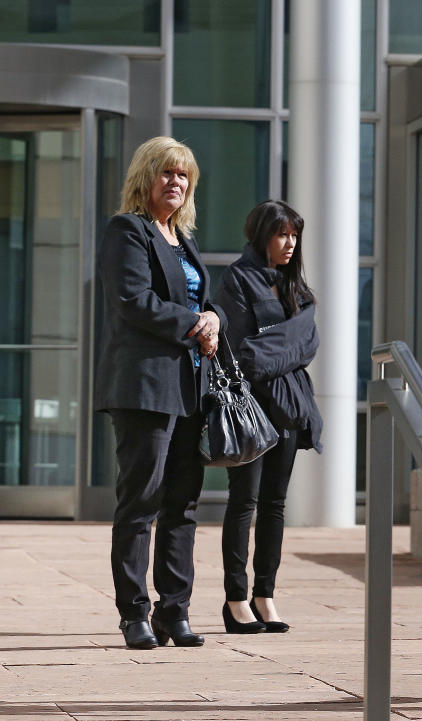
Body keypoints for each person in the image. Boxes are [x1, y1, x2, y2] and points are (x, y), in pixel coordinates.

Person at [95, 136, 225, 650]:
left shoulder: (184, 240)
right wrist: (197, 321)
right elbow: (134, 301)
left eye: (183, 176)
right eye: (166, 173)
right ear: (145, 178)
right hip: (144, 386)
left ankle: (176, 610)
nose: (175, 182)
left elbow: (206, 305)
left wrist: (214, 316)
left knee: (182, 504)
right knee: (140, 501)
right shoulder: (129, 231)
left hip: (191, 388)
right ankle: (134, 613)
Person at [215, 200, 323, 634]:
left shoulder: (296, 287)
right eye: (282, 234)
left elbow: (309, 342)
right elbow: (242, 353)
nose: (290, 243)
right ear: (262, 235)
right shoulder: (237, 280)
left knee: (275, 505)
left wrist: (275, 344)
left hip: (290, 411)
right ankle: (236, 599)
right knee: (245, 503)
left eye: (295, 235)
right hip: (252, 411)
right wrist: (288, 346)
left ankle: (265, 595)